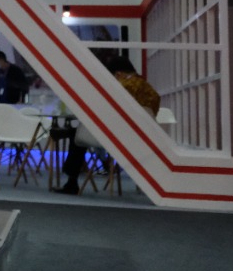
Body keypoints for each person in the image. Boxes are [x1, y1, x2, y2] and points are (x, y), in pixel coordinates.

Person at [53, 55, 160, 195]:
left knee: (76, 135)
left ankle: (71, 181)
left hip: (119, 134)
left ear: (118, 73)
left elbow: (106, 109)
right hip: (143, 136)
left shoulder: (122, 86)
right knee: (77, 132)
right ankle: (88, 161)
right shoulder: (148, 88)